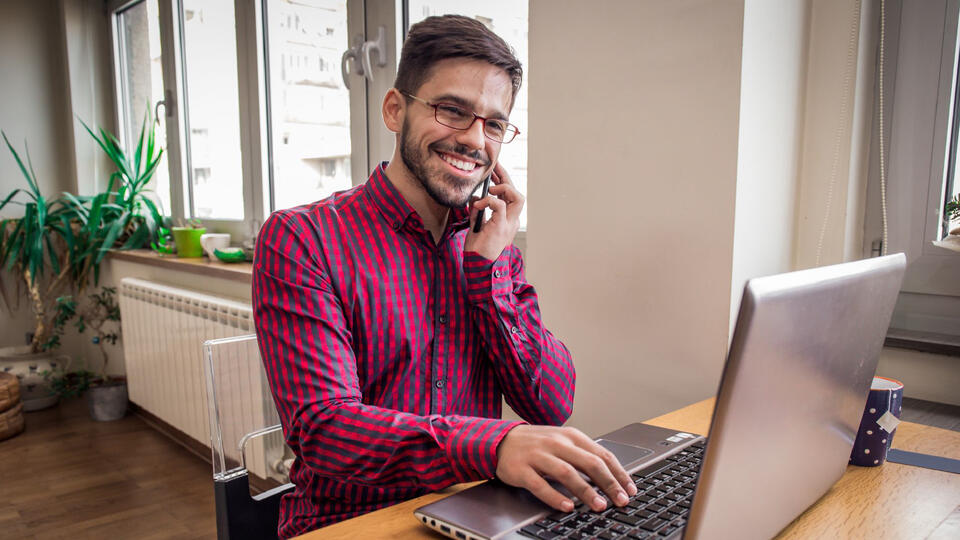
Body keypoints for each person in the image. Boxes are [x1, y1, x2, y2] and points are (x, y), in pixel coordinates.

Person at [253, 14, 635, 538]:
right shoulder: (303, 239)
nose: (475, 140)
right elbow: (325, 429)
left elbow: (550, 403)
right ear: (395, 109)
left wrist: (489, 273)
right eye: (453, 111)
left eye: (494, 124)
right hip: (349, 523)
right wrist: (494, 444)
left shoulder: (490, 247)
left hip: (478, 515)